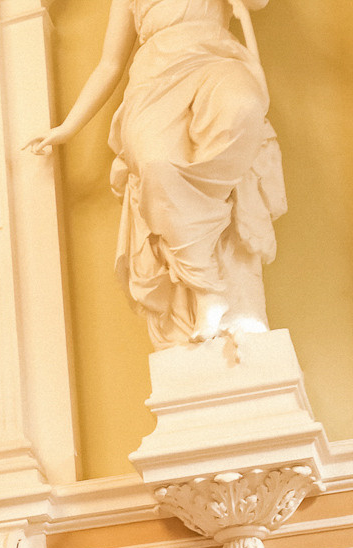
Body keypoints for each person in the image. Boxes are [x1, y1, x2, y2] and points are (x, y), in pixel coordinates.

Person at [29, 0, 286, 351]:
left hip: (215, 59)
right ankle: (207, 286)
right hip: (155, 78)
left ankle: (224, 265)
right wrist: (68, 127)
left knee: (243, 109)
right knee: (155, 165)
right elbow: (110, 63)